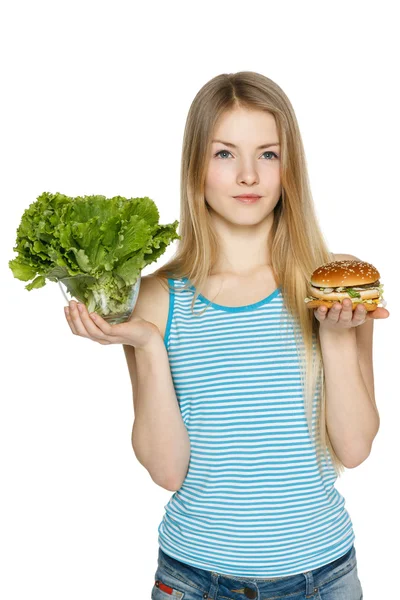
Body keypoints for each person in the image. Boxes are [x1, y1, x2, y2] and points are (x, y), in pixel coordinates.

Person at [64, 71, 389, 598]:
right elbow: (167, 471)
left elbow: (353, 448)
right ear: (196, 167)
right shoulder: (156, 298)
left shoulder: (335, 284)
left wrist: (333, 334)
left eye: (267, 153)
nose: (247, 176)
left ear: (291, 168)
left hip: (323, 577)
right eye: (223, 154)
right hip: (194, 580)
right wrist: (145, 345)